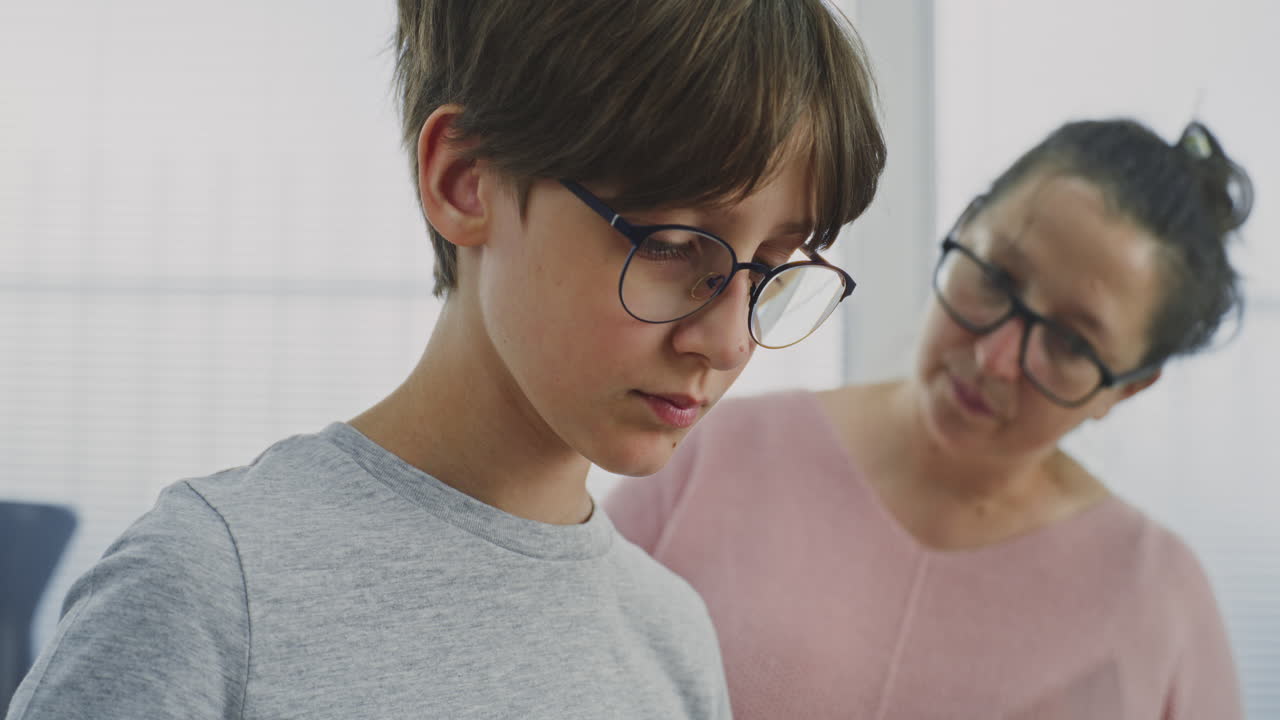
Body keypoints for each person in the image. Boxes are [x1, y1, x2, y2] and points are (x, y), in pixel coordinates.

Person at [6, 1, 886, 718]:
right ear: (465, 180)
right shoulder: (211, 589)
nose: (729, 341)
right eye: (669, 244)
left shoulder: (671, 633)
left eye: (771, 267)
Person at [605, 118, 1251, 719]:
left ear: (1129, 389)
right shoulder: (712, 454)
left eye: (1070, 344)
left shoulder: (1160, 603)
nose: (994, 358)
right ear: (965, 225)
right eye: (996, 278)